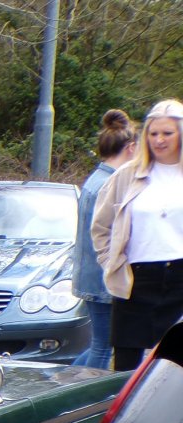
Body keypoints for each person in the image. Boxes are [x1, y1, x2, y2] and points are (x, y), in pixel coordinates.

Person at [90, 99, 183, 372]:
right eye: (153, 133)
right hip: (135, 279)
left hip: (180, 278)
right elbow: (101, 226)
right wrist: (111, 262)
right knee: (126, 370)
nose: (159, 140)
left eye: (167, 133)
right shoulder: (126, 175)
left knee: (175, 370)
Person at [72, 110, 137, 369]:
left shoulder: (96, 179)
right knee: (103, 347)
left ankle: (64, 382)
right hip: (102, 279)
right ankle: (81, 398)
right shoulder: (110, 183)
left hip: (92, 275)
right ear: (131, 148)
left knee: (98, 345)